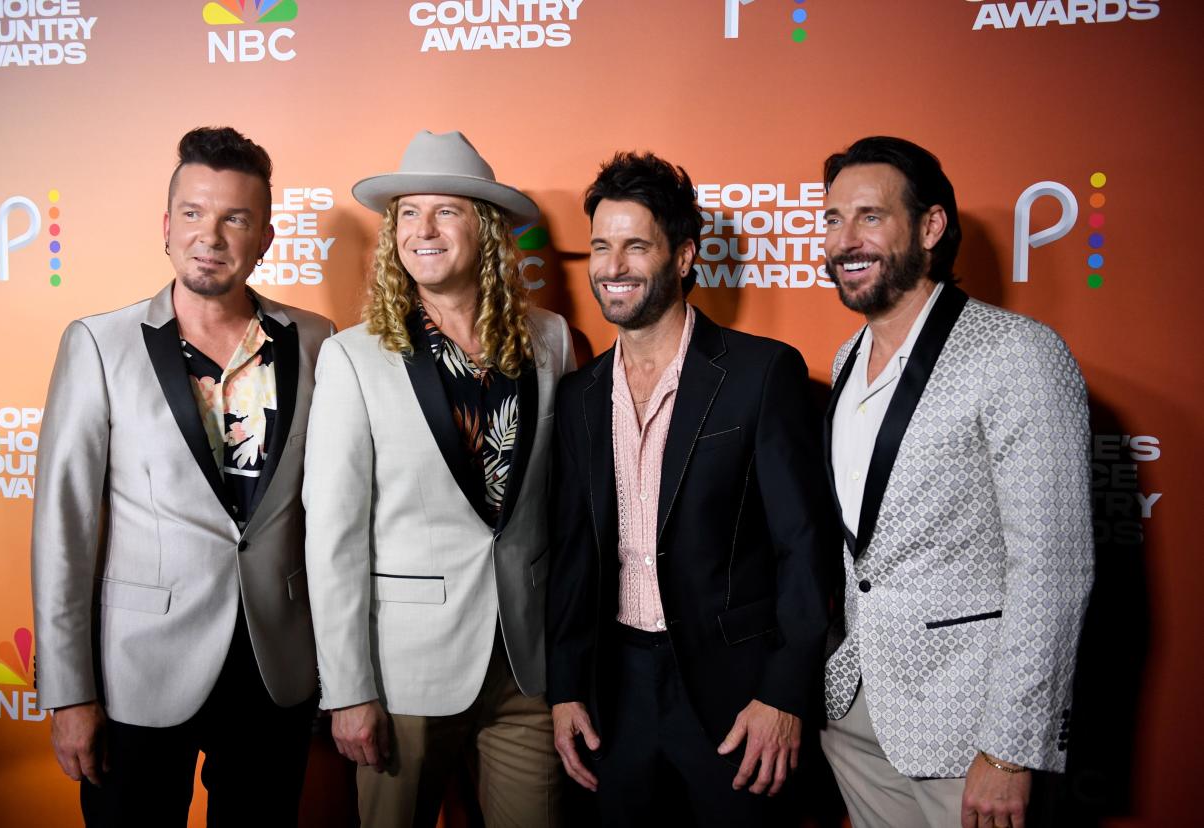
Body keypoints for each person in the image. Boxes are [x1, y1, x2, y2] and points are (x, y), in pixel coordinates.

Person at [30, 126, 334, 827]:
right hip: (137, 671)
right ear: (167, 227)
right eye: (194, 214)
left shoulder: (318, 342)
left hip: (274, 667)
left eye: (235, 218)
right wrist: (69, 692)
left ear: (264, 235)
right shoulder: (99, 346)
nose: (211, 235)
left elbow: (333, 515)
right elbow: (63, 530)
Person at [546, 151, 834, 826]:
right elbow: (570, 557)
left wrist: (785, 694)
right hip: (613, 693)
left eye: (636, 245)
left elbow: (803, 547)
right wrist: (565, 688)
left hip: (736, 697)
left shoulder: (760, 374)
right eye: (600, 247)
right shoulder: (579, 395)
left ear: (682, 257)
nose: (612, 267)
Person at [817, 135, 1094, 828]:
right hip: (856, 716)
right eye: (831, 219)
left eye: (870, 216)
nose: (844, 239)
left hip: (969, 730)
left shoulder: (1017, 353)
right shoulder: (847, 355)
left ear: (931, 227)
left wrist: (1009, 749)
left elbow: (1054, 567)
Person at [303, 130, 574, 828]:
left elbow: (567, 508)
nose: (423, 230)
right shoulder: (353, 358)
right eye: (408, 214)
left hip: (525, 669)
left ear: (483, 228)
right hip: (405, 678)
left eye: (445, 211)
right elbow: (332, 539)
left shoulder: (551, 340)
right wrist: (348, 691)